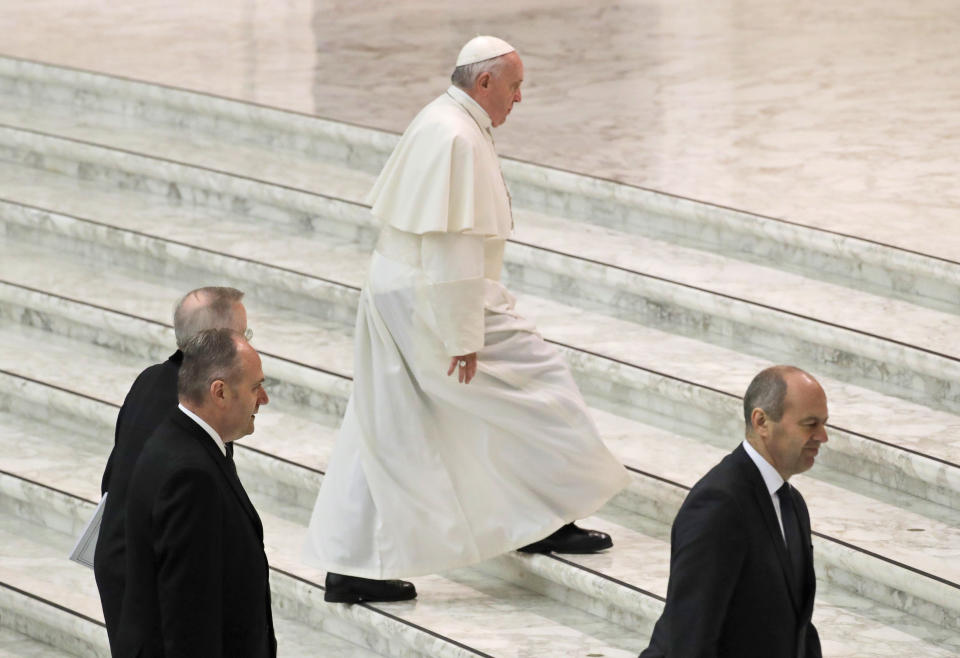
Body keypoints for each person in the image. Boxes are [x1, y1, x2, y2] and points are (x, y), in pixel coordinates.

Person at [303, 35, 630, 604]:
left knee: (382, 423)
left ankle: (352, 562)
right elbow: (452, 244)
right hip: (434, 298)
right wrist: (463, 335)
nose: (520, 98)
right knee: (540, 386)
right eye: (516, 85)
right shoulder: (455, 135)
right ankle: (546, 517)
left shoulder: (445, 117)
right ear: (484, 83)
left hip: (401, 288)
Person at [94, 286, 249, 646]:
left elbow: (112, 474)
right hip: (149, 578)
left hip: (118, 559)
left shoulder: (150, 377)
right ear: (220, 342)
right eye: (244, 336)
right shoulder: (197, 406)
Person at [640, 366, 827, 658]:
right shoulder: (719, 504)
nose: (823, 436)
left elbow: (798, 624)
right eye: (810, 424)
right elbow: (690, 635)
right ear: (762, 421)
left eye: (824, 423)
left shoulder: (792, 503)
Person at [113, 329, 275, 657]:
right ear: (220, 392)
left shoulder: (176, 439)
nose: (264, 398)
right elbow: (189, 618)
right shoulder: (191, 477)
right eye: (255, 386)